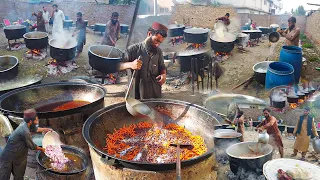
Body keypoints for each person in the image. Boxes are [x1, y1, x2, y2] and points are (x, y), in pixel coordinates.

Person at [119, 22, 168, 99]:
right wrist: (130, 64)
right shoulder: (132, 50)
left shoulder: (158, 51)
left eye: (160, 42)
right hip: (137, 94)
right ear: (149, 34)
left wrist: (163, 74)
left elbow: (162, 66)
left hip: (154, 93)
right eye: (156, 40)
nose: (157, 45)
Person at [0, 109, 52, 180]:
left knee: (19, 175)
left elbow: (35, 129)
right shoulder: (25, 131)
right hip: (9, 155)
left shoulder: (26, 123)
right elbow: (32, 146)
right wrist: (42, 149)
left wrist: (45, 129)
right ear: (30, 121)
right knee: (4, 176)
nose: (37, 122)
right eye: (36, 120)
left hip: (20, 155)